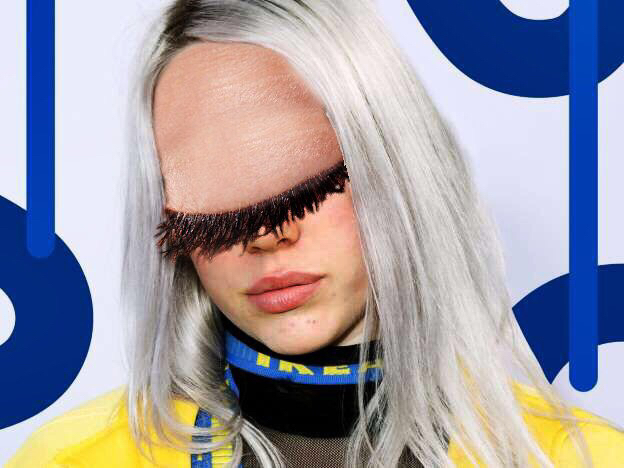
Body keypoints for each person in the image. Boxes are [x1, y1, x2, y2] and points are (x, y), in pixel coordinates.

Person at [7, 1, 624, 467]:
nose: (265, 236)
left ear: (396, 168)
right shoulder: (72, 459)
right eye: (215, 194)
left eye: (303, 176)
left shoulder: (583, 458)